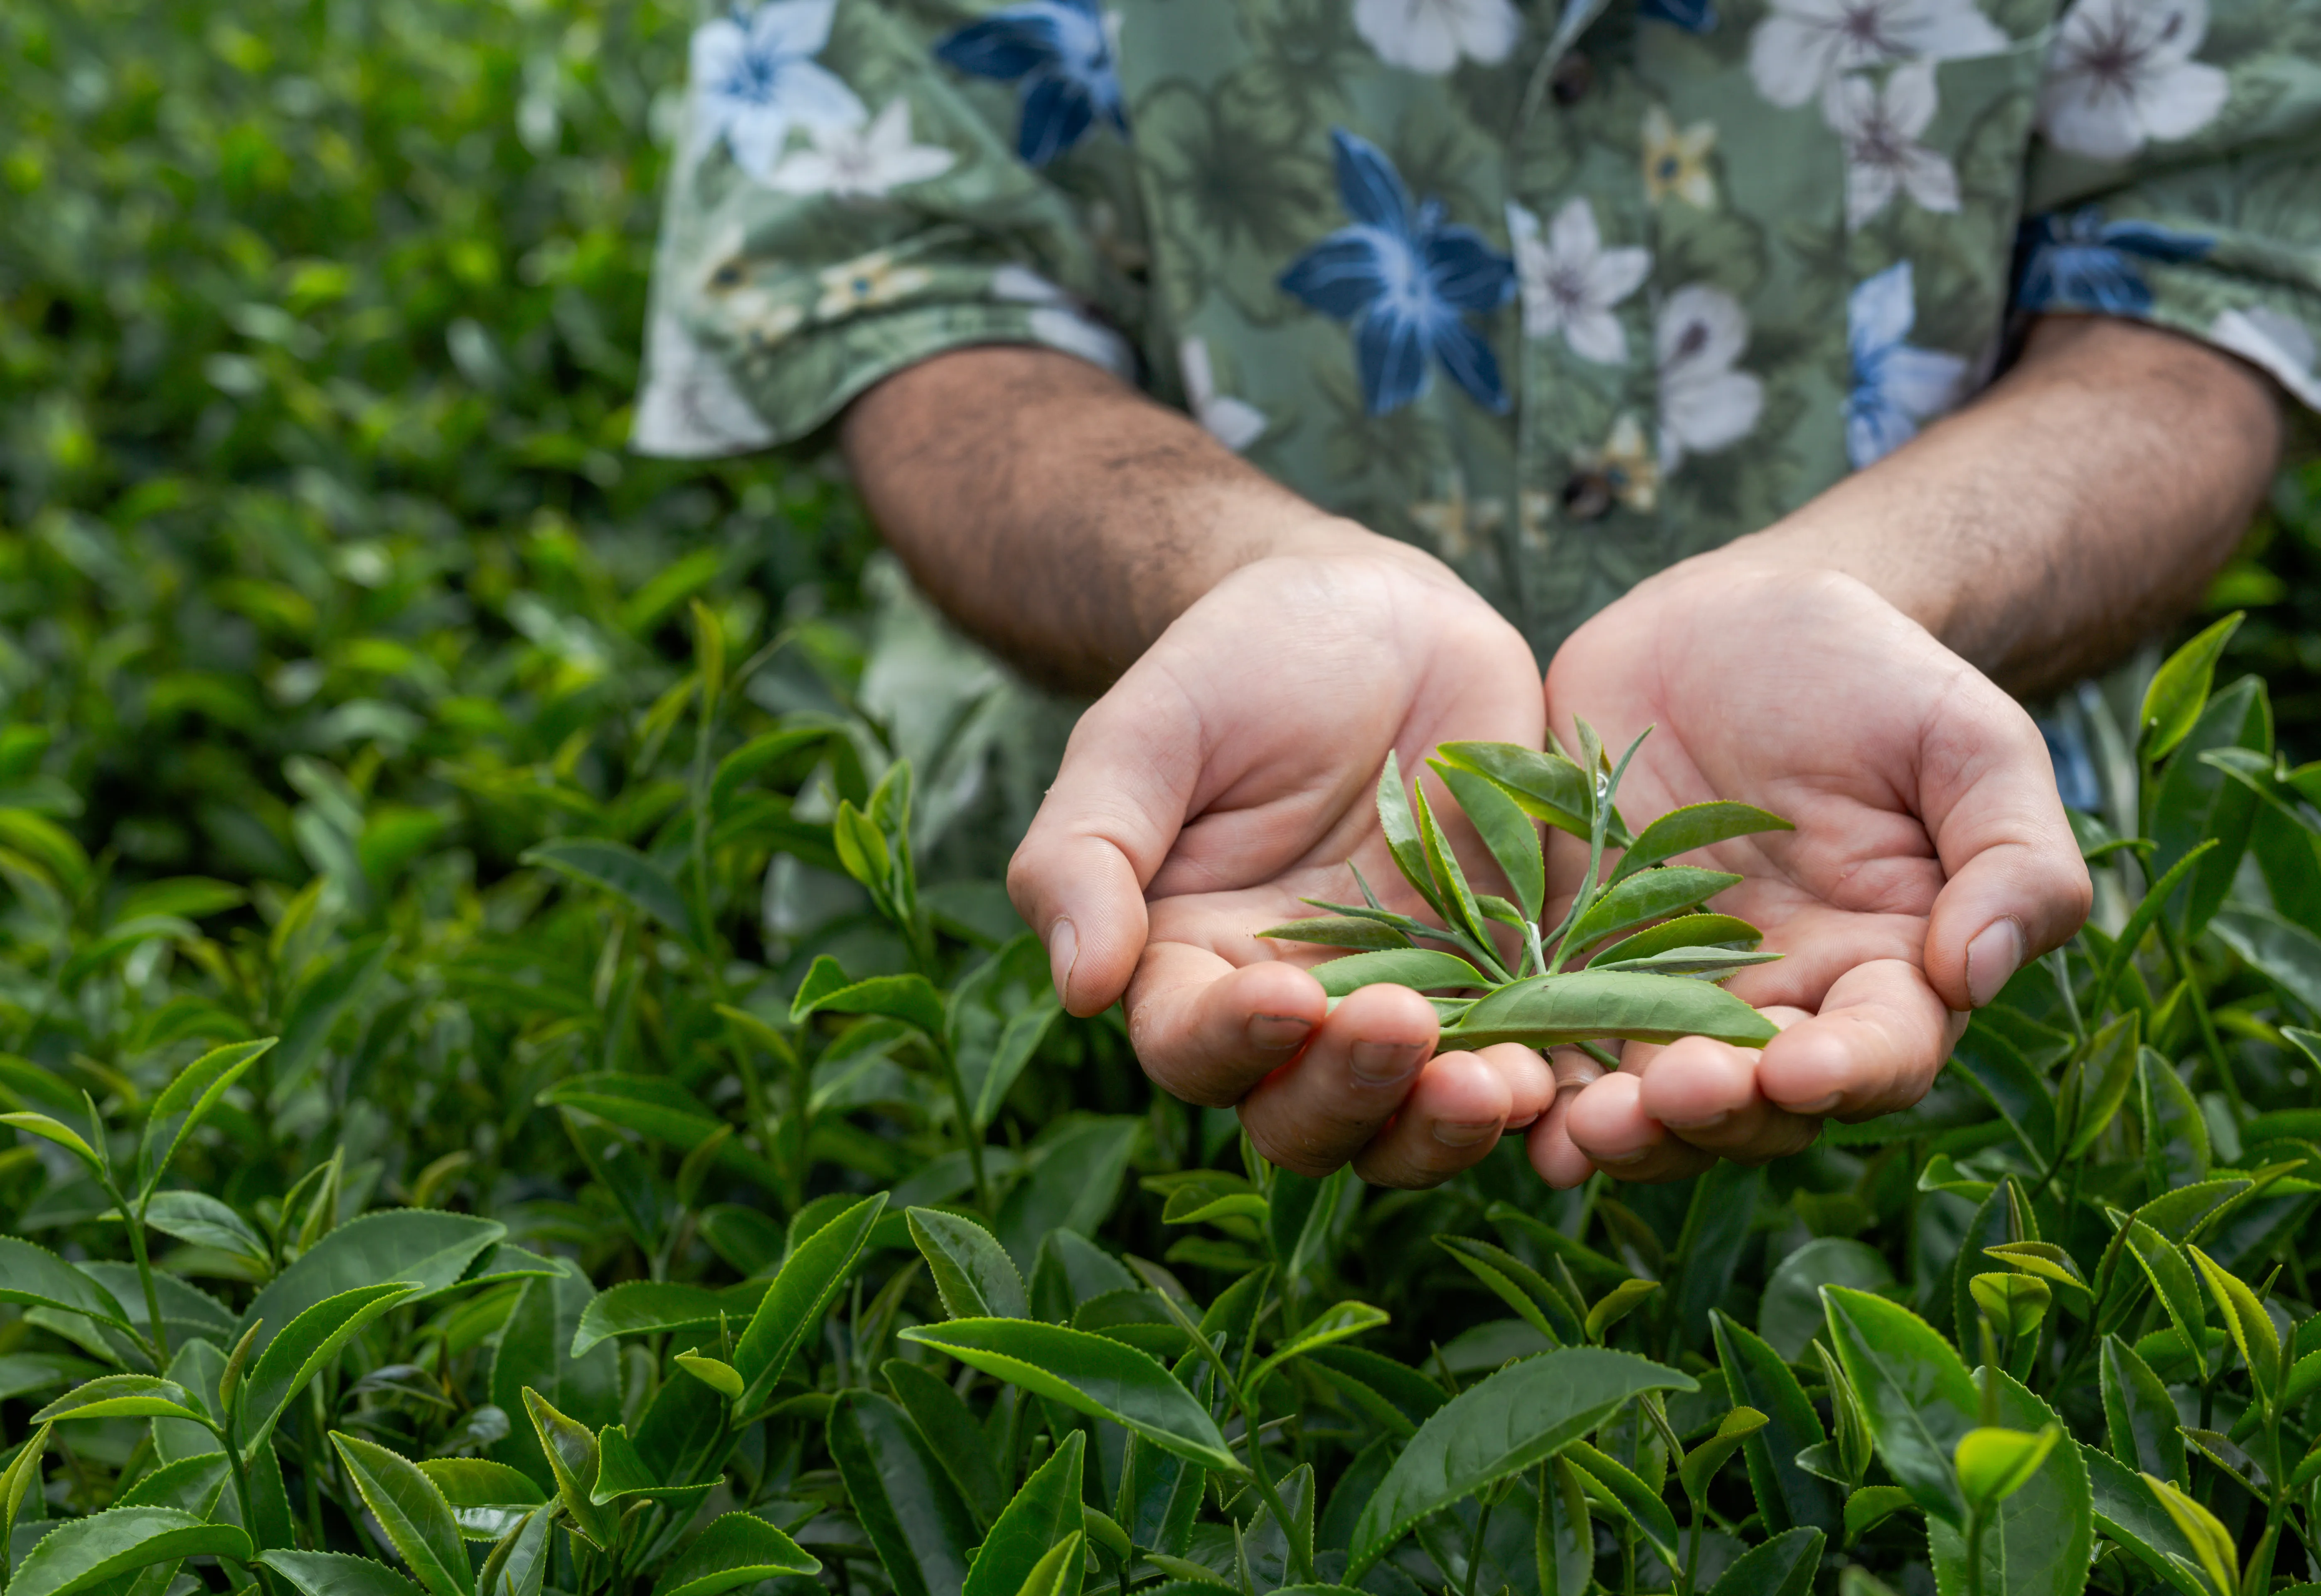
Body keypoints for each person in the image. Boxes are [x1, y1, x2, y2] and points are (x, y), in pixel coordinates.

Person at [630, 0, 2315, 1189]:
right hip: (1133, 899)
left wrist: (1868, 590)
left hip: (1917, 913)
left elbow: (2208, 273)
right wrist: (1245, 575)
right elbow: (915, 292)